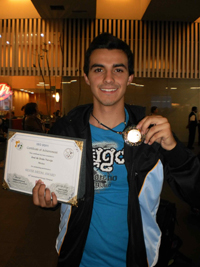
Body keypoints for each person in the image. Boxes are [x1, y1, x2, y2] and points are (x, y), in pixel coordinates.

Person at [32, 33, 200, 267]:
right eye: (99, 69)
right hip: (76, 256)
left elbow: (196, 194)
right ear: (87, 77)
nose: (108, 78)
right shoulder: (67, 130)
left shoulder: (150, 132)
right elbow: (53, 185)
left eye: (118, 70)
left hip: (138, 258)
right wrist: (49, 199)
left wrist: (173, 149)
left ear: (130, 77)